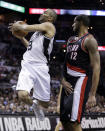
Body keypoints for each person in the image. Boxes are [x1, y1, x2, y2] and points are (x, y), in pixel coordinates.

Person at [9, 9, 57, 121]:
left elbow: (25, 28)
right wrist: (21, 37)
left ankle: (37, 103)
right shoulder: (36, 33)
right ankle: (34, 106)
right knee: (22, 95)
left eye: (46, 13)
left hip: (41, 67)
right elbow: (30, 48)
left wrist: (18, 25)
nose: (42, 14)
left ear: (50, 18)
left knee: (45, 104)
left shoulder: (49, 26)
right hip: (28, 65)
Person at [60, 14, 100, 131]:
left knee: (74, 122)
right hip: (67, 82)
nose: (72, 25)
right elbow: (64, 63)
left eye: (74, 22)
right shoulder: (71, 40)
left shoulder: (90, 41)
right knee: (64, 121)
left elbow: (96, 68)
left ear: (81, 22)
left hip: (80, 81)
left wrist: (92, 94)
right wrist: (62, 79)